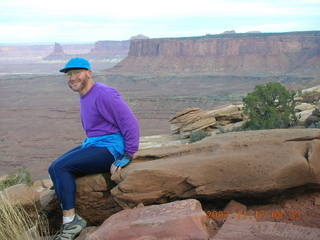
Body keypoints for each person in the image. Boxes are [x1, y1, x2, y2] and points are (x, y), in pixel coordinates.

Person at [48, 58, 140, 240]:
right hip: (95, 143)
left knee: (61, 168)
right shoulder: (85, 94)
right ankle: (70, 212)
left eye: (77, 73)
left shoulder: (104, 93)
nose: (72, 78)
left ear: (89, 73)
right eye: (69, 74)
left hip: (111, 147)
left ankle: (71, 222)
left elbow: (129, 122)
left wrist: (128, 154)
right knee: (54, 168)